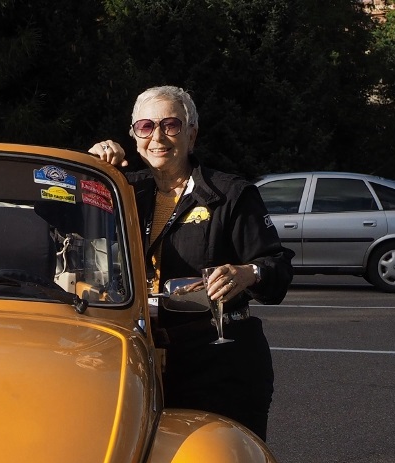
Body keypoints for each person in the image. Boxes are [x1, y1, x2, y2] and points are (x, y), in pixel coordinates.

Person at [89, 85, 293, 440]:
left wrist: (247, 272)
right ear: (134, 136)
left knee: (220, 458)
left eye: (170, 125)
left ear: (192, 134)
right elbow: (54, 212)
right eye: (146, 127)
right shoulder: (121, 191)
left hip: (217, 362)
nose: (157, 137)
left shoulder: (230, 194)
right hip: (140, 359)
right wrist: (93, 168)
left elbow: (278, 267)